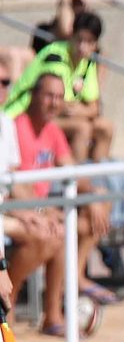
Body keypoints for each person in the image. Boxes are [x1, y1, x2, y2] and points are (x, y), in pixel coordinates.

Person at [13, 73, 112, 335]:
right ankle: (15, 307)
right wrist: (42, 211)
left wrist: (91, 199)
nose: (54, 103)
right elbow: (13, 187)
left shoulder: (53, 130)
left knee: (100, 201)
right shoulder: (16, 128)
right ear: (34, 96)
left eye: (59, 97)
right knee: (56, 232)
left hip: (41, 210)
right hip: (18, 210)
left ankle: (71, 285)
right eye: (49, 96)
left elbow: (73, 173)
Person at [5, 12, 113, 163]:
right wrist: (84, 110)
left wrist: (82, 110)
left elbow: (94, 108)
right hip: (25, 114)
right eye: (79, 39)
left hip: (51, 114)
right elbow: (59, 105)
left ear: (95, 45)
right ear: (71, 36)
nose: (83, 47)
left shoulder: (87, 63)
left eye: (89, 42)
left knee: (105, 127)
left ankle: (100, 178)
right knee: (82, 128)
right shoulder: (55, 56)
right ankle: (75, 183)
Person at [0, 58, 61, 315]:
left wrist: (37, 211)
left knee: (53, 230)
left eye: (6, 82)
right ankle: (7, 302)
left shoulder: (5, 121)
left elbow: (13, 180)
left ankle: (10, 303)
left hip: (6, 211)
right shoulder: (17, 122)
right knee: (42, 233)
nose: (3, 88)